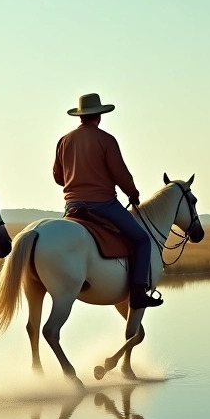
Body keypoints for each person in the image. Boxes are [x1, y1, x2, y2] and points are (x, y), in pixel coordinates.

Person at [53, 93, 161, 310]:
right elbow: (121, 175)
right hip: (102, 205)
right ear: (99, 116)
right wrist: (133, 193)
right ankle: (138, 293)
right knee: (141, 239)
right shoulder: (106, 140)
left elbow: (58, 177)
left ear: (80, 116)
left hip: (72, 207)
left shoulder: (64, 141)